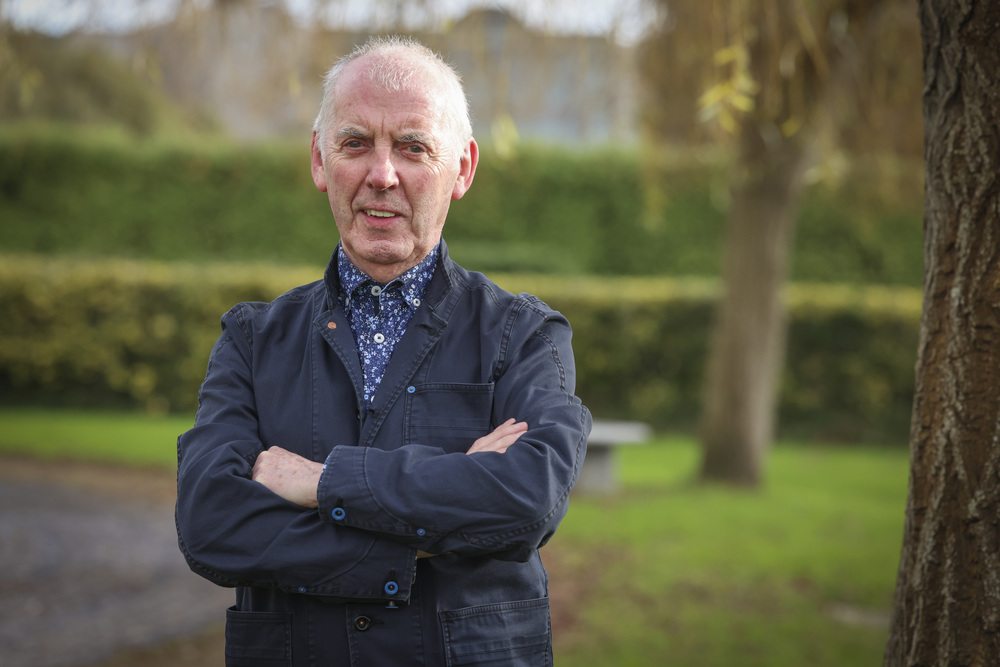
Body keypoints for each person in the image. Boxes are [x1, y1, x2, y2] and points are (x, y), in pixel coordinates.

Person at [175, 35, 591, 666]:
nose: (383, 174)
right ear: (319, 160)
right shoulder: (252, 341)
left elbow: (529, 498)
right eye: (355, 143)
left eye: (413, 147)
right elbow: (211, 524)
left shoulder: (523, 335)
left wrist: (321, 483)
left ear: (463, 169)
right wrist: (423, 534)